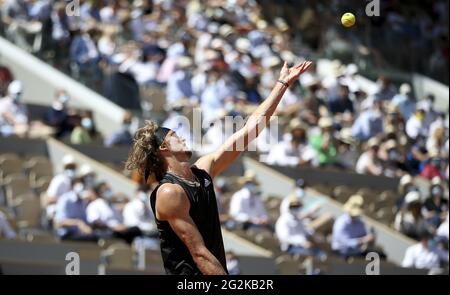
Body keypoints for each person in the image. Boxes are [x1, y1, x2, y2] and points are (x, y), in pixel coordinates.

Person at [125, 60, 313, 275]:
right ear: (164, 148)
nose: (183, 138)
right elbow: (199, 253)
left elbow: (249, 131)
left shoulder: (202, 170)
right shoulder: (170, 192)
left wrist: (282, 84)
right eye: (175, 136)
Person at [54, 178, 97, 242]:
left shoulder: (83, 202)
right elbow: (59, 222)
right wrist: (78, 223)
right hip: (66, 237)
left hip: (80, 236)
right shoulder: (65, 199)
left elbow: (86, 222)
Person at [44, 155, 77, 223]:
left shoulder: (73, 182)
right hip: (56, 214)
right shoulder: (59, 179)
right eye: (69, 167)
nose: (71, 169)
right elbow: (49, 199)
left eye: (72, 167)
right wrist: (64, 200)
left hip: (68, 214)